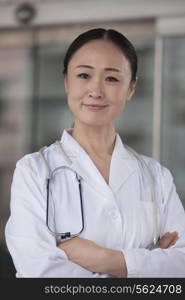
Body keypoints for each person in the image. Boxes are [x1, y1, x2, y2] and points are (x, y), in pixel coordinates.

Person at [5, 28, 185, 278]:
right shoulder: (34, 171)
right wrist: (147, 263)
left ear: (131, 88)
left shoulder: (156, 176)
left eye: (111, 79)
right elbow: (39, 272)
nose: (96, 90)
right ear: (67, 81)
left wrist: (104, 259)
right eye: (83, 75)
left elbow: (181, 264)